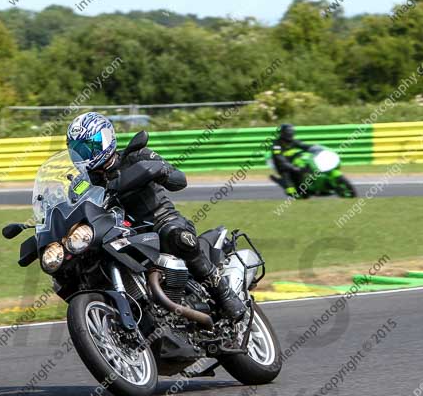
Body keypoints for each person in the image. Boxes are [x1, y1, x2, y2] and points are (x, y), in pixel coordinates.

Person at [66, 112, 246, 322]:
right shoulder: (81, 183)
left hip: (161, 221)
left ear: (106, 137)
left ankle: (224, 295)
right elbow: (70, 208)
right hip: (116, 235)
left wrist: (160, 170)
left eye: (88, 146)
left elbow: (180, 180)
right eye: (78, 150)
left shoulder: (136, 156)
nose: (85, 153)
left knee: (177, 236)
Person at [270, 124, 312, 198]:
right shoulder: (277, 144)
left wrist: (313, 148)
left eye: (291, 132)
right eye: (288, 132)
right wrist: (291, 167)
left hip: (293, 163)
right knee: (286, 172)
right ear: (283, 133)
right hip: (281, 165)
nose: (290, 134)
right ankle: (291, 191)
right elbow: (278, 157)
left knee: (305, 168)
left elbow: (303, 145)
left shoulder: (293, 141)